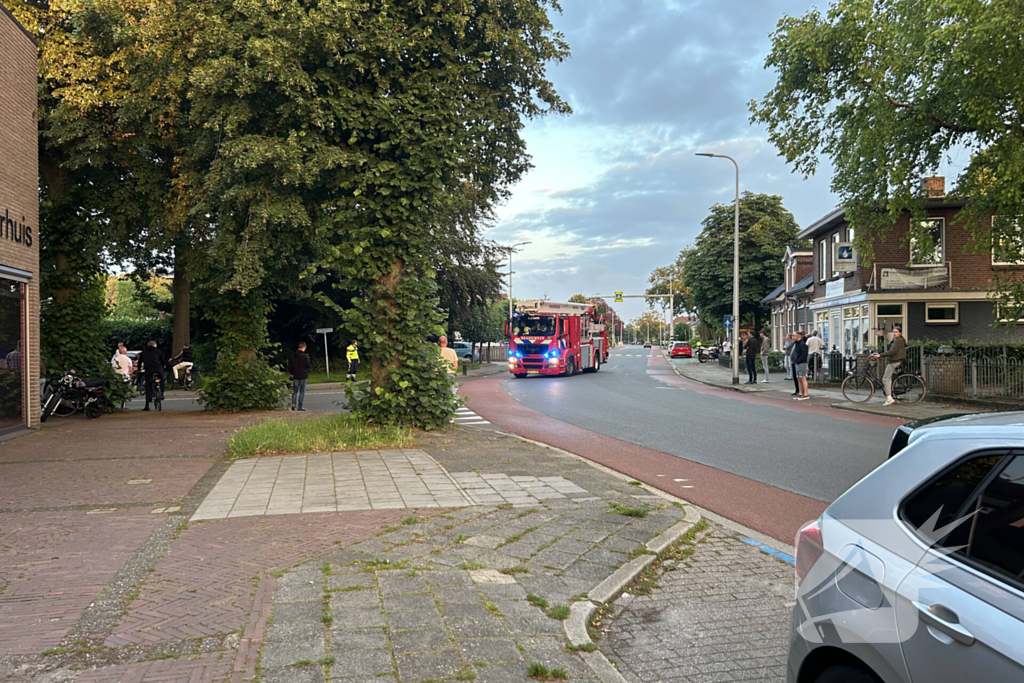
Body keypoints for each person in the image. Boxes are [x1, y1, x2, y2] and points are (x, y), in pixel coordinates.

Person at [873, 327, 906, 406]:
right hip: (896, 360)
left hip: (894, 361)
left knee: (885, 378)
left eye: (896, 332)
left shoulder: (898, 341)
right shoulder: (897, 340)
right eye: (893, 332)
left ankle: (889, 398)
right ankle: (895, 395)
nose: (894, 333)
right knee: (893, 378)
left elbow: (892, 351)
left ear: (900, 333)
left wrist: (880, 355)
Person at [138, 341, 166, 411]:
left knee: (148, 385)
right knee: (162, 379)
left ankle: (147, 405)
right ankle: (162, 393)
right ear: (154, 345)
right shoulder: (158, 351)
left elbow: (140, 362)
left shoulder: (144, 352)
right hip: (158, 369)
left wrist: (139, 369)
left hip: (149, 370)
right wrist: (164, 365)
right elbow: (162, 360)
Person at [288, 342, 311, 411]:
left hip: (295, 376)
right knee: (302, 391)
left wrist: (293, 373)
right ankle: (300, 406)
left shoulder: (292, 357)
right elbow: (308, 365)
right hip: (303, 375)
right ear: (304, 347)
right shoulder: (305, 356)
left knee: (294, 391)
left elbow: (289, 367)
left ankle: (293, 406)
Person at [792, 330, 809, 400]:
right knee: (798, 378)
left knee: (803, 377)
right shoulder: (797, 343)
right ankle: (800, 393)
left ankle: (806, 393)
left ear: (798, 336)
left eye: (793, 335)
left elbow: (804, 354)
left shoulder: (802, 344)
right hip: (797, 362)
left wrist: (798, 360)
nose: (792, 336)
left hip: (801, 363)